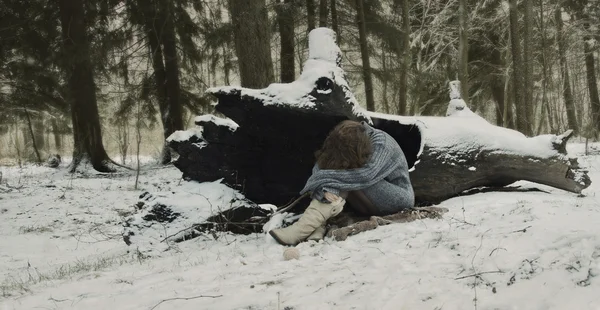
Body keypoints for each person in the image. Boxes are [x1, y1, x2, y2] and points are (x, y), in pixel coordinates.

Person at [269, 120, 415, 246]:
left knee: (350, 174)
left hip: (398, 199)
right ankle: (316, 226)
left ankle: (302, 229)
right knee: (339, 171)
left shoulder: (382, 142)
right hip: (366, 200)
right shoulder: (343, 140)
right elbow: (321, 165)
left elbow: (365, 176)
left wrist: (318, 181)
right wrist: (323, 187)